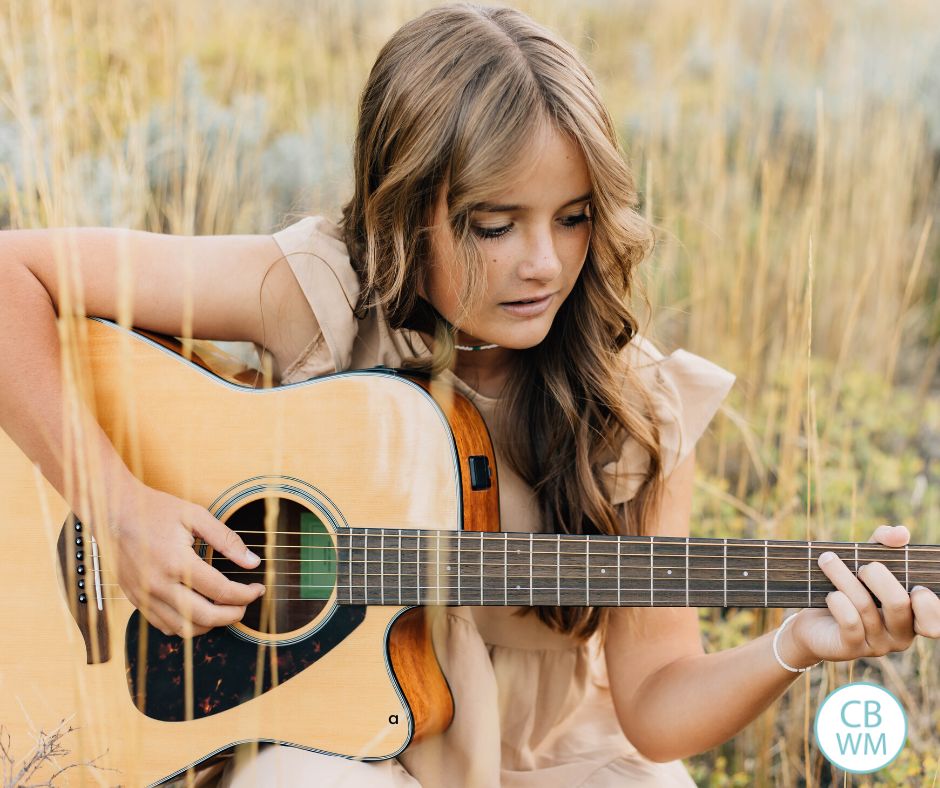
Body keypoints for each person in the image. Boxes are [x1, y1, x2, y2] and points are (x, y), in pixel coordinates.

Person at [1, 3, 937, 786]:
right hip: (338, 752)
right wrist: (116, 504)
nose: (544, 263)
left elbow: (654, 707)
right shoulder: (318, 292)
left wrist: (797, 645)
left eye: (574, 220)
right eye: (495, 225)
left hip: (558, 761)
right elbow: (13, 276)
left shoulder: (632, 404)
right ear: (404, 210)